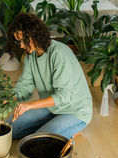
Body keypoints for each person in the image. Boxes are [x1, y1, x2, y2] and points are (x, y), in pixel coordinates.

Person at [6, 12, 93, 140]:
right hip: (52, 108)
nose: (21, 45)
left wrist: (29, 106)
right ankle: (54, 129)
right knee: (8, 128)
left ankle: (68, 130)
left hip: (74, 111)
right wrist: (5, 100)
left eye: (23, 40)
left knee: (38, 141)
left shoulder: (59, 53)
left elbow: (64, 96)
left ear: (33, 35)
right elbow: (24, 87)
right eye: (18, 41)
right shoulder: (31, 57)